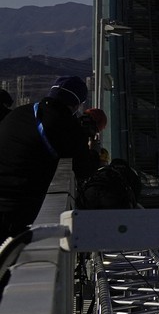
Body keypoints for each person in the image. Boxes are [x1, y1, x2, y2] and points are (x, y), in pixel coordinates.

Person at [0, 76, 102, 237]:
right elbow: (84, 169)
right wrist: (94, 150)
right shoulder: (65, 125)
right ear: (76, 104)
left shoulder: (21, 112)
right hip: (17, 207)